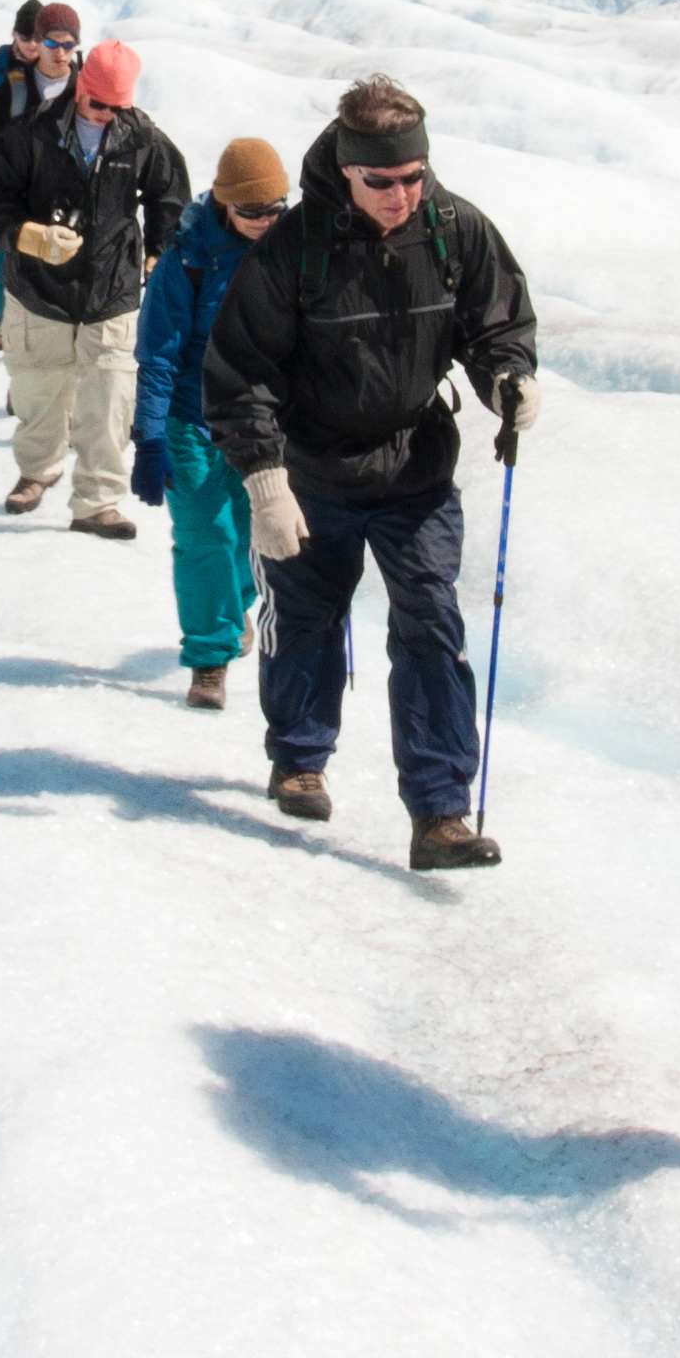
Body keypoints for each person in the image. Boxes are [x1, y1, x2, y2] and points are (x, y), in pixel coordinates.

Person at [202, 74, 539, 873]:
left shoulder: (455, 230)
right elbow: (239, 371)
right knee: (307, 619)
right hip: (312, 470)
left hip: (414, 466)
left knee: (429, 621)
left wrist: (507, 381)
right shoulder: (297, 250)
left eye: (413, 177)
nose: (401, 196)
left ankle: (441, 812)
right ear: (347, 170)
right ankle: (299, 755)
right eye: (381, 182)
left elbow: (497, 323)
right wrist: (263, 480)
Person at [0, 37, 187, 535]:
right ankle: (37, 470)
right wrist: (25, 235)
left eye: (117, 107)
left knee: (110, 398)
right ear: (81, 87)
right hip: (39, 288)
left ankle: (97, 501)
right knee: (40, 389)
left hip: (110, 287)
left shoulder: (141, 138)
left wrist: (160, 251)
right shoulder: (33, 132)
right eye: (97, 104)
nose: (106, 115)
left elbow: (169, 195)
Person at [132, 137, 289, 704]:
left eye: (274, 209)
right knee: (205, 537)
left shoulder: (291, 249)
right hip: (190, 418)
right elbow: (157, 354)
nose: (265, 222)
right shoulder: (188, 258)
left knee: (249, 535)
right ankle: (208, 658)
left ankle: (233, 608)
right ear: (225, 203)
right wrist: (149, 438)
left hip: (263, 424)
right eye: (251, 212)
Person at [0, 0, 77, 341]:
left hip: (52, 182)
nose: (31, 46)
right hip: (2, 176)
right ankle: (5, 326)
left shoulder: (71, 78)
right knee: (3, 249)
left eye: (36, 38)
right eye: (26, 38)